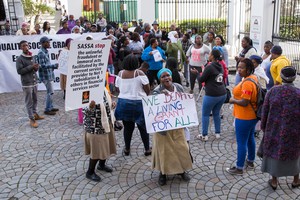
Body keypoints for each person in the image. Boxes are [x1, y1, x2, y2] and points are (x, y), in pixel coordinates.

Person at [260, 66, 300, 190]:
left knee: (274, 152)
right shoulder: (299, 93)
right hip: (294, 130)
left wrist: (263, 126)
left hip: (274, 128)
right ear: (295, 77)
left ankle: (274, 181)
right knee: (295, 154)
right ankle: (296, 179)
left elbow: (264, 110)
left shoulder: (273, 91)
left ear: (281, 77)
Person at [152, 68, 193, 186]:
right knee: (164, 151)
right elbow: (154, 110)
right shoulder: (156, 91)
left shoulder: (178, 87)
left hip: (178, 125)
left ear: (171, 76)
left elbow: (184, 104)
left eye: (168, 75)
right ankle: (163, 173)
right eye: (163, 76)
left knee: (181, 148)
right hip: (163, 128)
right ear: (159, 79)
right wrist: (161, 97)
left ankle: (181, 170)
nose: (166, 78)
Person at [114, 54, 151, 156]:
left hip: (123, 102)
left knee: (128, 127)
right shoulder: (139, 73)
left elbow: (117, 88)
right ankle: (147, 149)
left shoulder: (120, 73)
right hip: (138, 102)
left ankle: (127, 148)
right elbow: (147, 88)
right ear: (137, 63)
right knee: (142, 127)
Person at [226, 58, 259, 175]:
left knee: (241, 142)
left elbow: (245, 102)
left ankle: (239, 167)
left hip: (245, 117)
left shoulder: (248, 84)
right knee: (250, 138)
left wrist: (233, 100)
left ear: (249, 69)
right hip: (251, 117)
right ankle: (250, 161)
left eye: (242, 68)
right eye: (238, 67)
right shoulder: (253, 78)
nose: (239, 70)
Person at [83, 88, 117, 182]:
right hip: (95, 127)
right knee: (97, 150)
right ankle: (90, 172)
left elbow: (106, 104)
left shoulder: (103, 89)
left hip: (106, 123)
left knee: (107, 146)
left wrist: (112, 105)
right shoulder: (86, 91)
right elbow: (85, 111)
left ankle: (101, 165)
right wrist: (90, 107)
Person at [195, 49, 227, 141]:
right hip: (222, 93)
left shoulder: (209, 66)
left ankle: (204, 135)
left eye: (210, 54)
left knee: (205, 114)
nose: (208, 55)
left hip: (212, 94)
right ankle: (217, 133)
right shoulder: (220, 65)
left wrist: (197, 73)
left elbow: (201, 79)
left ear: (212, 56)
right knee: (216, 113)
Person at [16, 40, 45, 128]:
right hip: (27, 83)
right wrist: (31, 66)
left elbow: (34, 69)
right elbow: (19, 71)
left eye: (27, 45)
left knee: (35, 99)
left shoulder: (31, 56)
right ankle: (31, 119)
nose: (26, 47)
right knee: (29, 101)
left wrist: (36, 67)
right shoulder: (19, 59)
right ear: (21, 48)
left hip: (34, 81)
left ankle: (35, 113)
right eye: (24, 46)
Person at [36, 36, 59, 115]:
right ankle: (47, 109)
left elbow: (46, 64)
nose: (49, 43)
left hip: (49, 75)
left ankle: (51, 107)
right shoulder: (41, 53)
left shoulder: (45, 51)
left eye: (49, 42)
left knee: (51, 92)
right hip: (45, 76)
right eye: (47, 42)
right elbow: (42, 66)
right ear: (43, 43)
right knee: (50, 92)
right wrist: (54, 66)